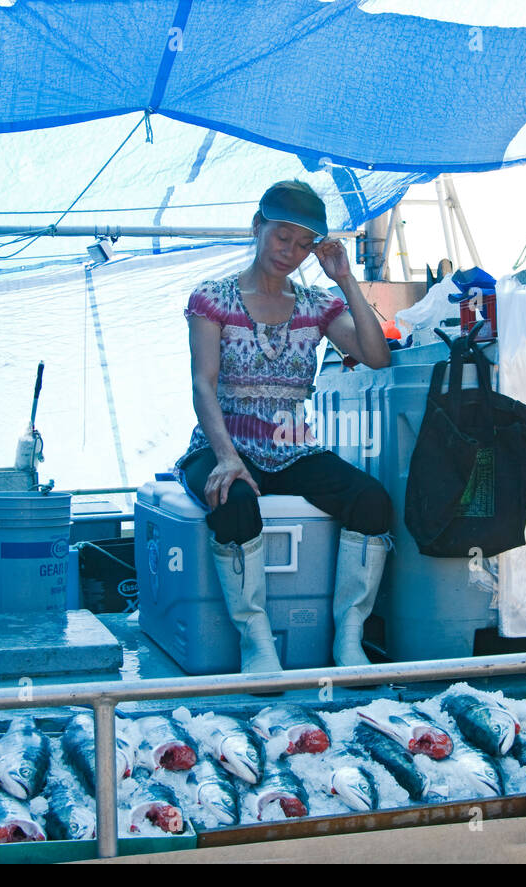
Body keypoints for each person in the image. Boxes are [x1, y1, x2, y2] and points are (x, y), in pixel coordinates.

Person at [175, 180, 395, 674]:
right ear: (257, 227)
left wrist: (346, 281)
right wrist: (228, 457)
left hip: (293, 448)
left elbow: (377, 358)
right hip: (224, 443)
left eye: (303, 244)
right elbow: (202, 385)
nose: (290, 252)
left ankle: (350, 640)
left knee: (372, 499)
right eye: (281, 237)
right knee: (232, 500)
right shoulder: (212, 298)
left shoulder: (318, 305)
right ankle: (257, 641)